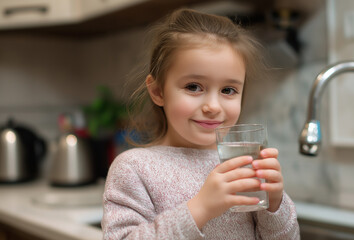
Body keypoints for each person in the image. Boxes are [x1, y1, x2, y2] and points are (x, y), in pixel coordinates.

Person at [102, 8, 300, 240]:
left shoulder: (242, 164)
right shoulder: (133, 168)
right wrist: (200, 209)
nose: (213, 106)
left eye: (228, 90)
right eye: (193, 87)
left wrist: (275, 205)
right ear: (157, 91)